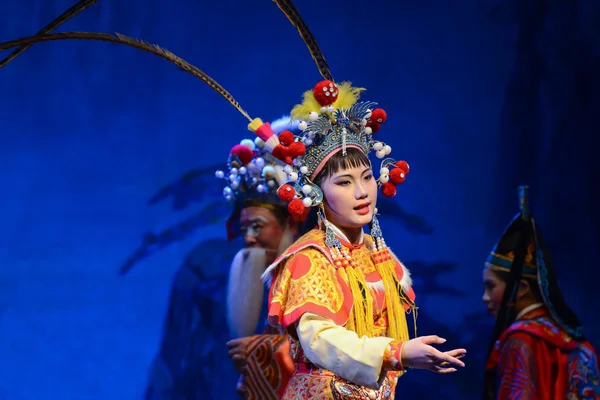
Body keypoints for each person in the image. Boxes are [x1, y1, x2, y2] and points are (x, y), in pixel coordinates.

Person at [219, 116, 315, 399]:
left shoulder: (311, 270)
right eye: (245, 228)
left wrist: (260, 350)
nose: (249, 237)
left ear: (291, 225)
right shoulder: (271, 276)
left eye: (257, 226)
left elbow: (327, 349)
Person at [482, 185, 600, 399]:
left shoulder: (519, 340)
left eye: (491, 287)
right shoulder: (574, 340)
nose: (485, 297)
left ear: (522, 289)